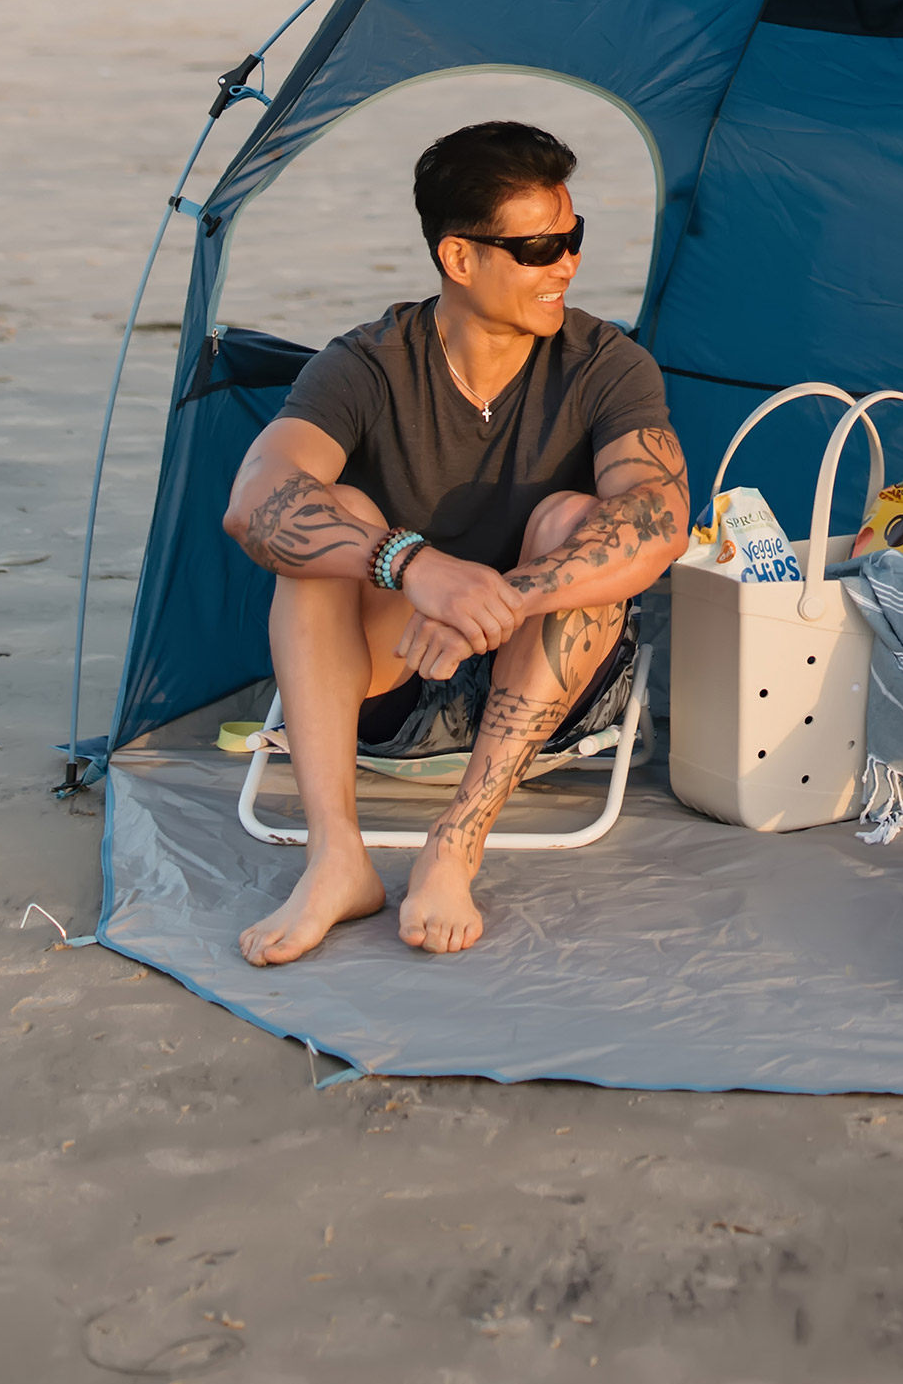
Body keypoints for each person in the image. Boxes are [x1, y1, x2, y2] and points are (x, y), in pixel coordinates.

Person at [222, 120, 688, 966]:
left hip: (551, 696)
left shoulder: (605, 363)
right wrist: (414, 566)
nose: (568, 265)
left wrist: (502, 597)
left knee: (574, 520)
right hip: (393, 680)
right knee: (335, 517)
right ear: (459, 258)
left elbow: (660, 518)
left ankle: (456, 842)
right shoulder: (366, 362)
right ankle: (337, 860)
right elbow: (253, 505)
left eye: (572, 238)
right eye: (540, 247)